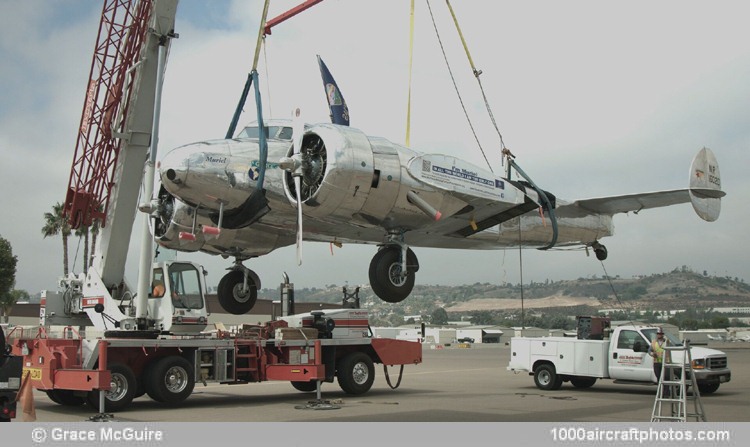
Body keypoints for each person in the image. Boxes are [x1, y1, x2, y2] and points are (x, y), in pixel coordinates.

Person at [648, 327, 671, 395]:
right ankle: (660, 393)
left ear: (663, 334)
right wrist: (652, 354)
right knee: (659, 378)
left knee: (666, 378)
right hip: (656, 363)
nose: (659, 335)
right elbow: (649, 350)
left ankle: (666, 393)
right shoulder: (654, 342)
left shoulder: (667, 342)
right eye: (658, 334)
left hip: (665, 363)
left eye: (661, 334)